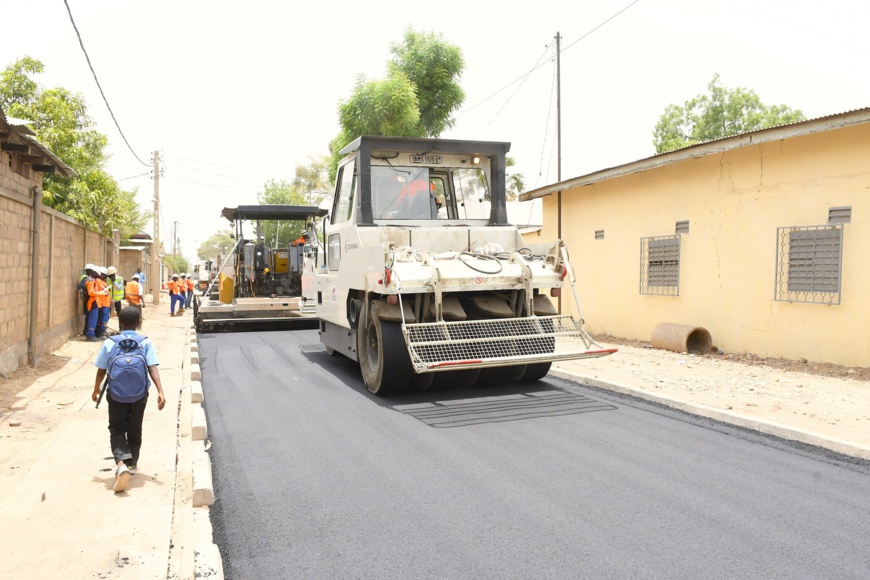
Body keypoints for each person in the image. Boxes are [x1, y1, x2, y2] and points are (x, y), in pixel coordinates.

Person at [91, 306, 166, 493]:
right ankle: (131, 464)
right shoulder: (145, 342)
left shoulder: (110, 342)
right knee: (135, 426)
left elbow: (101, 369)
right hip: (139, 394)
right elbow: (152, 367)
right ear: (139, 322)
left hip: (115, 394)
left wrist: (96, 389)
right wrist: (160, 391)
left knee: (116, 427)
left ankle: (120, 463)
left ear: (120, 323)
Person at [79, 264, 96, 335]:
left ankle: (86, 331)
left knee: (88, 315)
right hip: (88, 299)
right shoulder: (85, 278)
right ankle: (86, 331)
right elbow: (80, 286)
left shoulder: (87, 277)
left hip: (88, 299)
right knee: (89, 315)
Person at [95, 267, 112, 337]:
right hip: (103, 303)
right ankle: (101, 331)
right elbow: (103, 289)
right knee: (103, 317)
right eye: (104, 274)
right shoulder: (98, 281)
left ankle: (103, 330)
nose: (105, 276)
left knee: (106, 317)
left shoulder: (103, 281)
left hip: (106, 303)